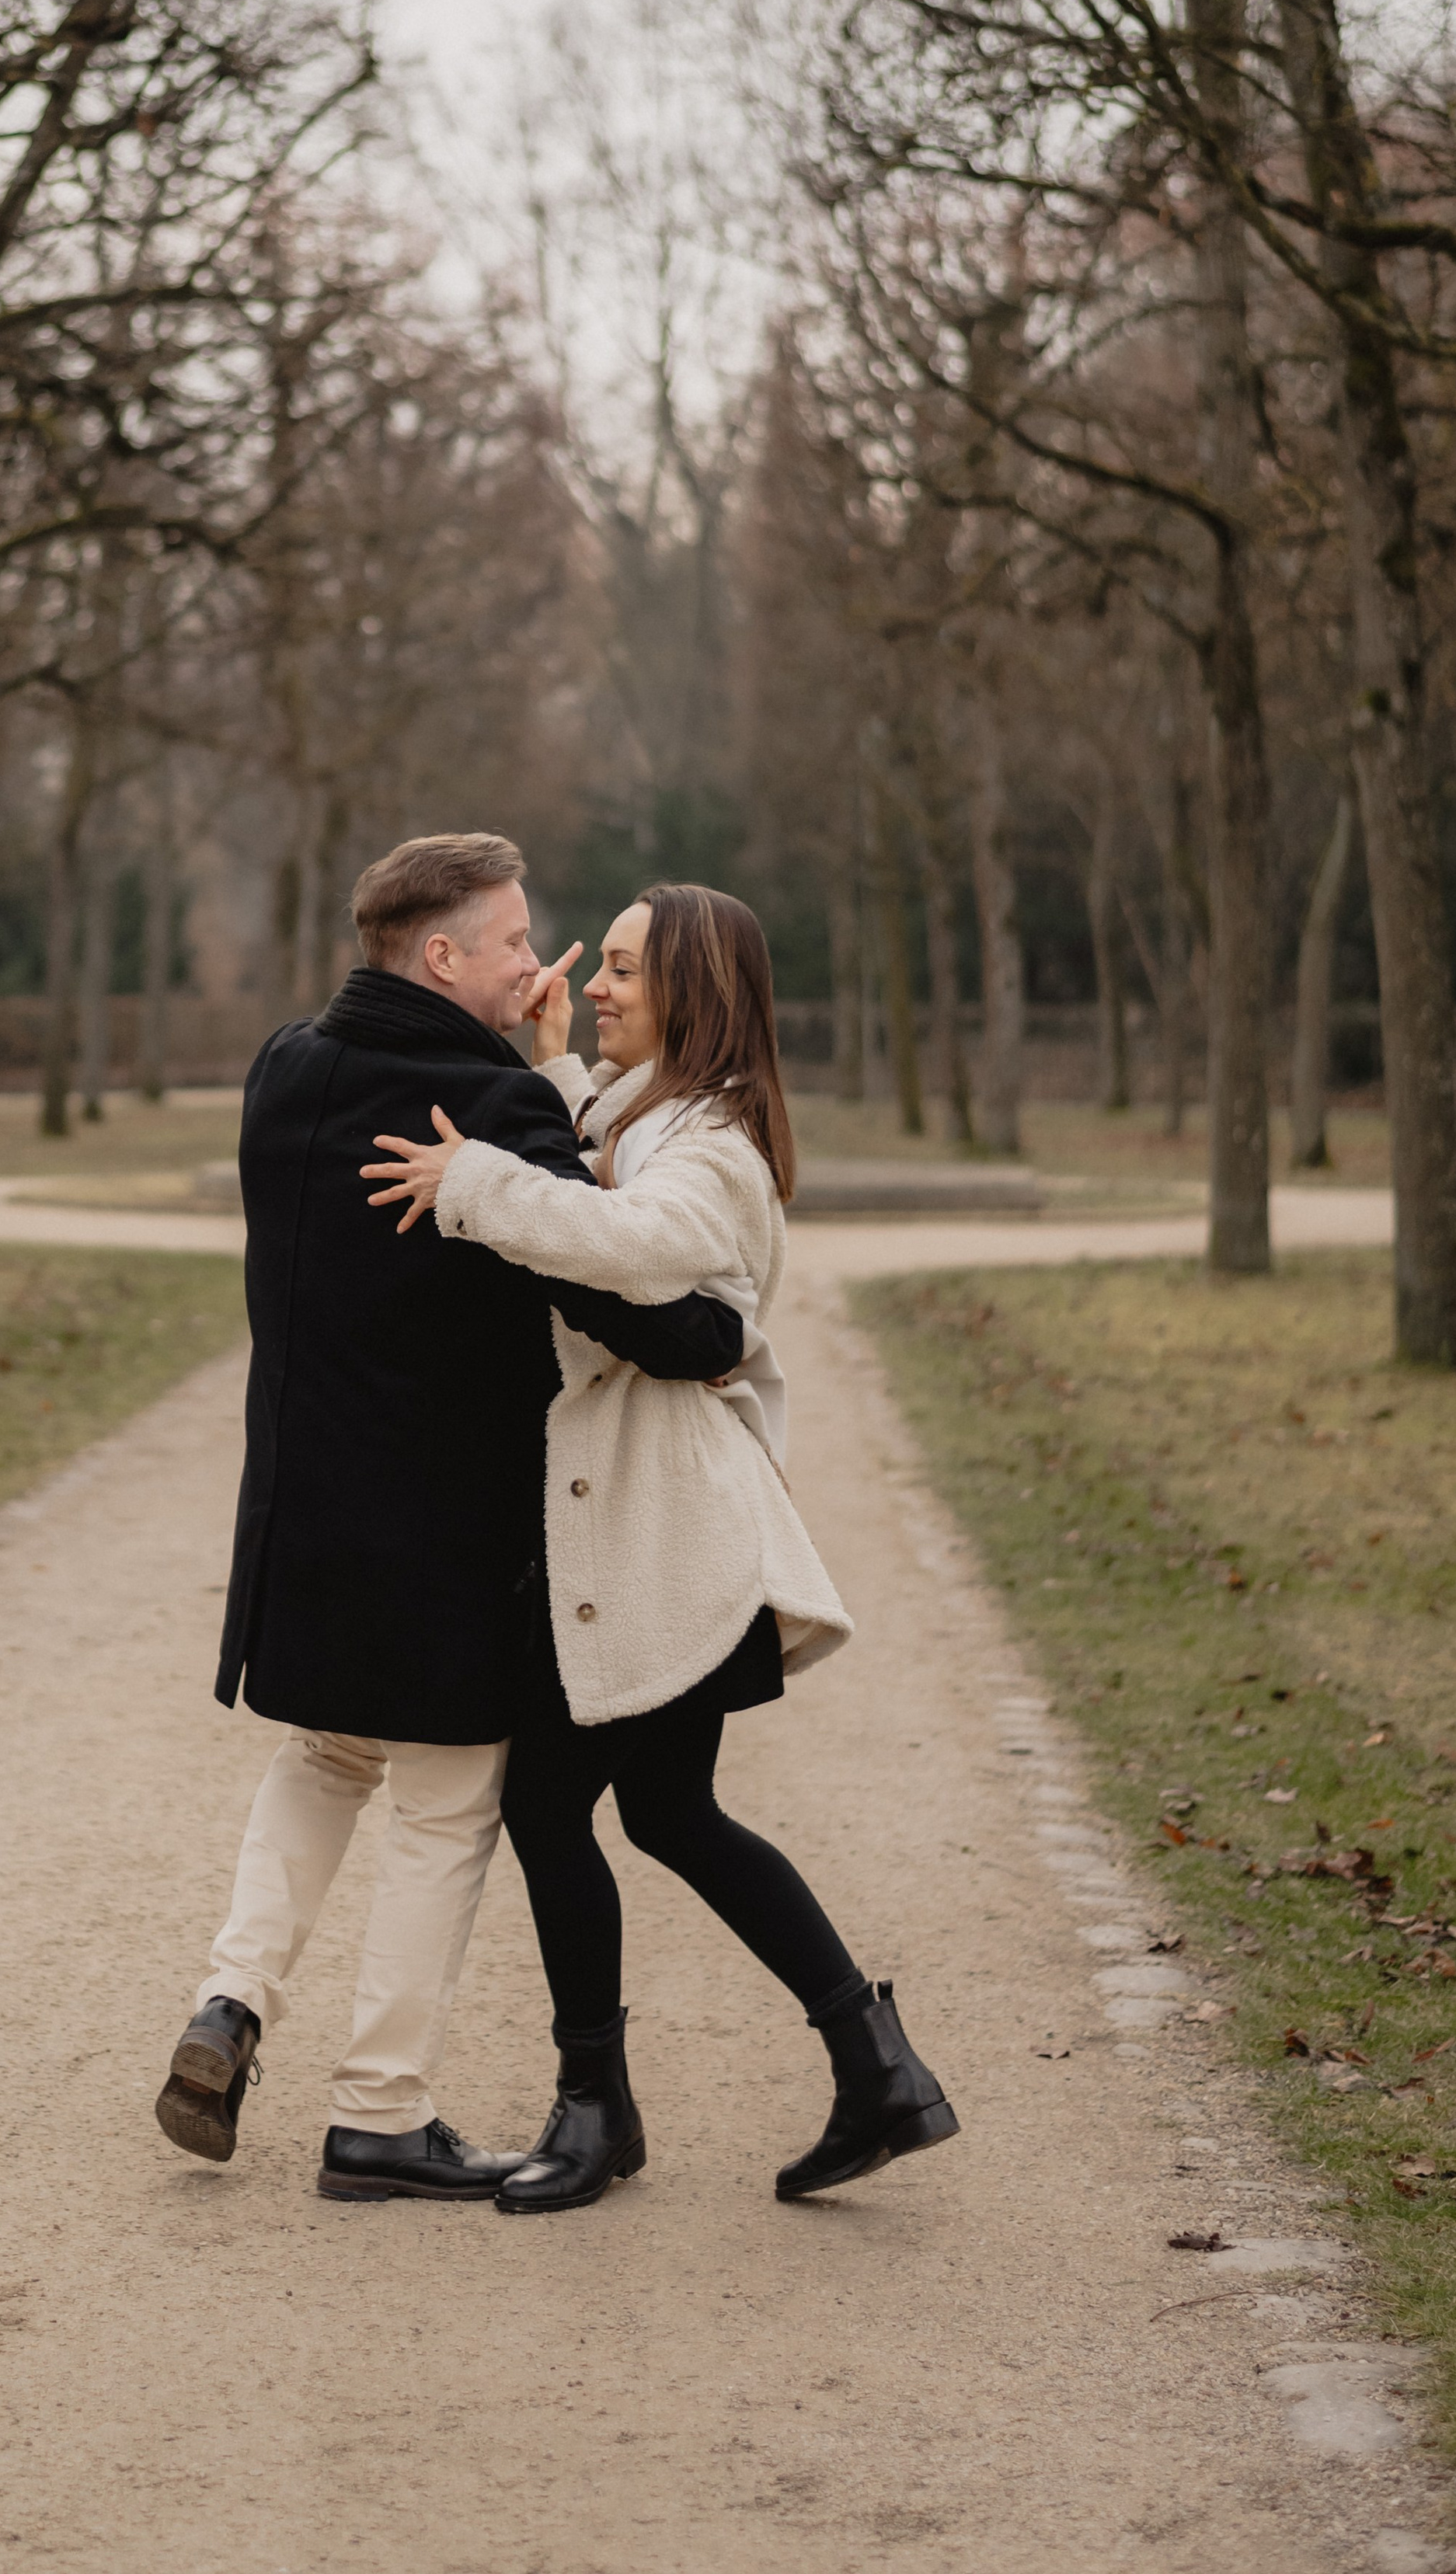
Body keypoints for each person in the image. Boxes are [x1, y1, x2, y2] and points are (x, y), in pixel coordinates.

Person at [157, 834, 748, 2200]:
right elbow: (620, 1292)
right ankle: (380, 2110)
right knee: (445, 1801)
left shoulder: (282, 1067)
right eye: (514, 942)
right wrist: (716, 1331)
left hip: (299, 1515)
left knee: (323, 1757)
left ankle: (230, 2004)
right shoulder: (488, 1099)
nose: (538, 966)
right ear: (443, 956)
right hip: (440, 1539)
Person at [364, 880, 957, 2214]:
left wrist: (472, 1179)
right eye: (605, 965)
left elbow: (625, 1234)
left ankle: (598, 2109)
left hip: (674, 1537)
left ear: (698, 992)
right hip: (654, 1530)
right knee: (674, 1812)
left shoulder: (719, 1153)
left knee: (549, 1801)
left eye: (629, 967)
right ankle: (876, 2071)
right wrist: (551, 1059)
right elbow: (593, 1158)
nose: (607, 982)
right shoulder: (651, 1113)